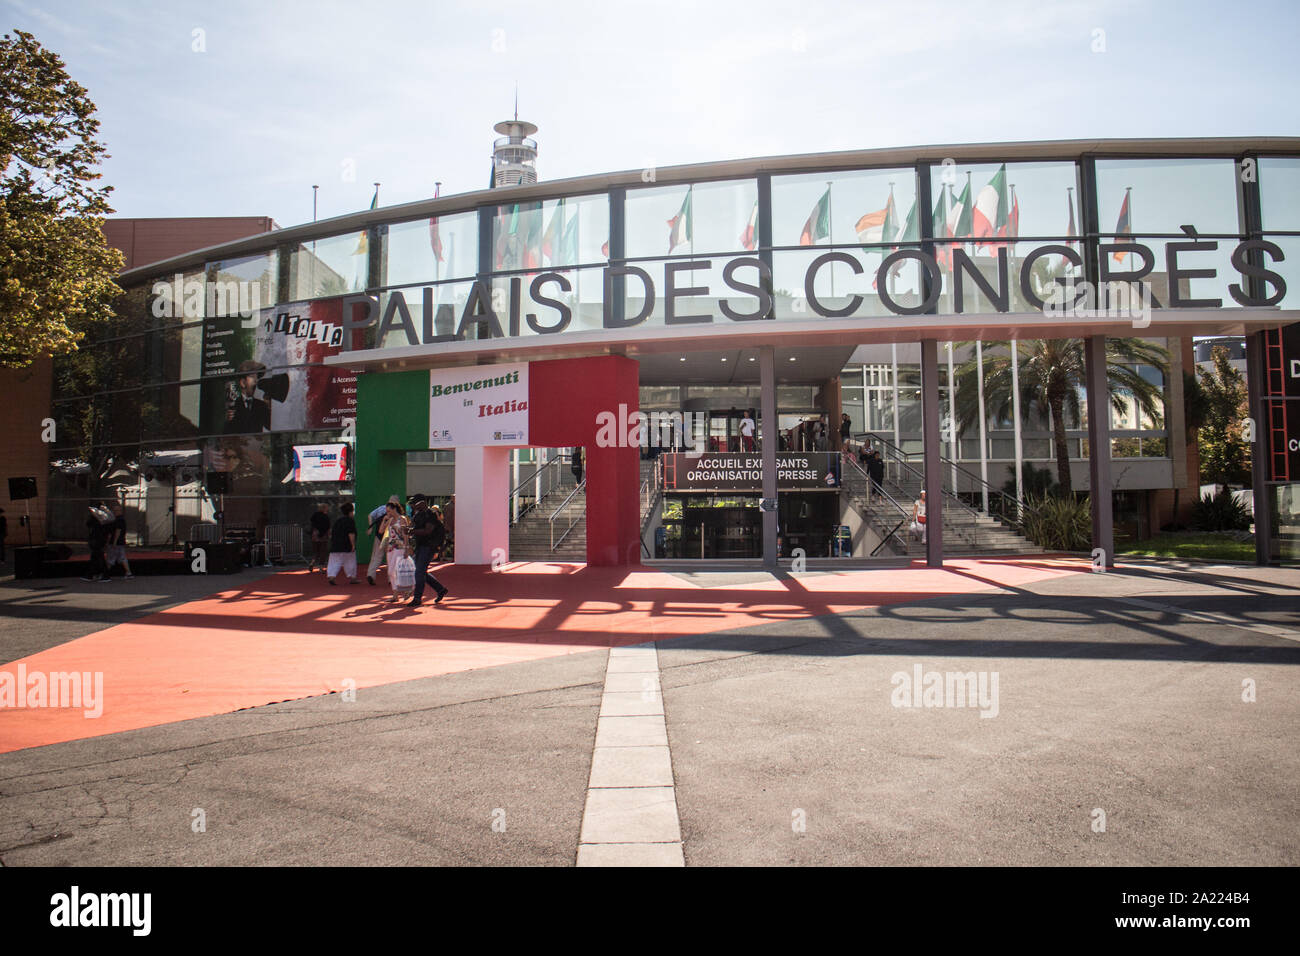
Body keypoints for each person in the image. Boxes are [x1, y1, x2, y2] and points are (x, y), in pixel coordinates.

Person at [407, 495, 449, 608]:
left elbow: (427, 531)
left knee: (419, 572)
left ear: (422, 503)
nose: (413, 505)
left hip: (429, 546)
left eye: (415, 503)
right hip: (421, 546)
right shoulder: (418, 515)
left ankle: (417, 598)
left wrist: (412, 531)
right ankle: (440, 589)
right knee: (421, 571)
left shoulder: (430, 515)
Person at [224, 360, 272, 433]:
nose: (256, 381)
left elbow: (270, 426)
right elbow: (227, 435)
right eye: (252, 377)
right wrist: (228, 421)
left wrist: (270, 407)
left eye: (257, 377)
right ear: (243, 382)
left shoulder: (261, 405)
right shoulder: (234, 406)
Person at [381, 501, 413, 603]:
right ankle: (396, 595)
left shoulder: (402, 519)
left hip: (400, 547)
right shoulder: (390, 520)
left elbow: (405, 534)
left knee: (395, 570)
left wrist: (407, 547)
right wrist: (384, 520)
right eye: (387, 511)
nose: (388, 513)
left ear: (394, 509)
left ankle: (407, 589)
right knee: (391, 572)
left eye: (389, 510)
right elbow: (381, 531)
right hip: (391, 548)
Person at [365, 495, 400, 585]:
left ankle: (371, 574)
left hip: (379, 536)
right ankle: (390, 578)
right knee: (391, 557)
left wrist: (371, 527)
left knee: (376, 556)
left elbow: (370, 515)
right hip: (391, 537)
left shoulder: (381, 508)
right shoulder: (398, 511)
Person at [327, 502, 359, 585]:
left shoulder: (337, 521)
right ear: (351, 512)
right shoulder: (350, 521)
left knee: (334, 562)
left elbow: (331, 533)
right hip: (346, 545)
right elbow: (351, 534)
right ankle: (353, 578)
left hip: (335, 545)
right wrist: (353, 544)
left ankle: (331, 576)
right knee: (351, 561)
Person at [105, 503, 134, 579]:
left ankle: (106, 573)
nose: (115, 512)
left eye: (117, 510)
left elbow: (118, 531)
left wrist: (114, 541)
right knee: (121, 557)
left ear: (120, 511)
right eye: (114, 510)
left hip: (116, 542)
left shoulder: (119, 520)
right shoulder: (119, 519)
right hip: (119, 542)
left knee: (111, 557)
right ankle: (128, 572)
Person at [82, 508, 110, 582]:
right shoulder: (100, 519)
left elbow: (89, 524)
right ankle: (92, 574)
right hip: (97, 539)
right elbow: (88, 524)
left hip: (98, 540)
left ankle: (104, 574)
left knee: (99, 556)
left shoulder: (102, 519)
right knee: (95, 557)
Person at [308, 501, 331, 573]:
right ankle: (321, 568)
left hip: (315, 534)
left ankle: (312, 562)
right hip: (323, 535)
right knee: (323, 551)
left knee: (315, 551)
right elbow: (327, 526)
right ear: (325, 508)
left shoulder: (315, 515)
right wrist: (329, 534)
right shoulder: (326, 517)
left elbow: (312, 522)